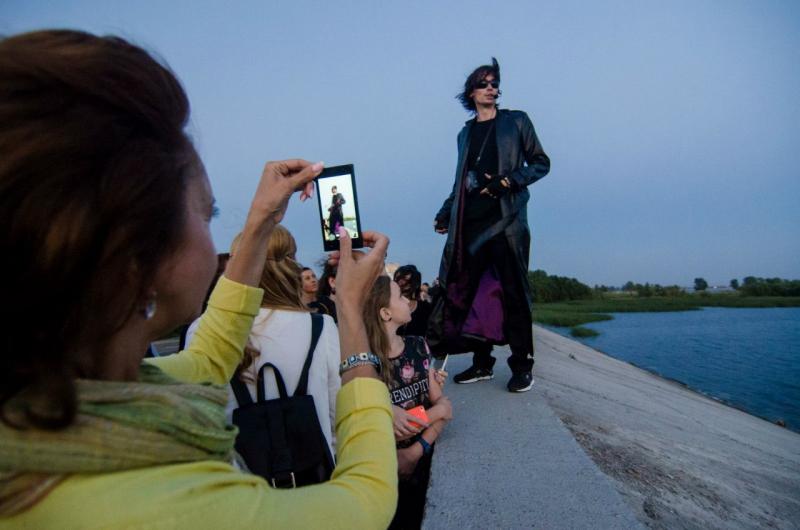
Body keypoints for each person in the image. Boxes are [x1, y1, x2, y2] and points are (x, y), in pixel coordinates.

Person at [0, 30, 396, 528]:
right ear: (140, 258)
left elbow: (209, 359)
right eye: (208, 214)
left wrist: (260, 222)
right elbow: (364, 504)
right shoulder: (163, 507)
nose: (216, 246)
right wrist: (352, 313)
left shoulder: (49, 403)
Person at [429, 57, 551, 393]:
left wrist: (507, 181)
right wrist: (446, 212)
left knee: (514, 295)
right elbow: (461, 181)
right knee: (472, 294)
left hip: (506, 222)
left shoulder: (517, 121)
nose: (490, 88)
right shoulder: (464, 134)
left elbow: (541, 163)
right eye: (483, 84)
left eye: (494, 83)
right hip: (471, 226)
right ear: (471, 92)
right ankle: (482, 363)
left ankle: (522, 366)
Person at [187, 227, 340, 456]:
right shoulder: (320, 326)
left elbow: (198, 419)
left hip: (233, 471)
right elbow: (337, 412)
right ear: (292, 266)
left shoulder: (203, 330)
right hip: (314, 469)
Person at [364, 276, 452, 529]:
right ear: (386, 313)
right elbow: (393, 429)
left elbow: (445, 407)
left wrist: (415, 452)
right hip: (383, 471)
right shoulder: (365, 363)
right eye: (400, 296)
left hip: (422, 459)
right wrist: (434, 413)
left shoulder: (418, 346)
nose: (407, 300)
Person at [394, 265, 433, 338]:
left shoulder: (425, 308)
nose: (400, 282)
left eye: (405, 279)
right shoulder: (387, 305)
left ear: (416, 284)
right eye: (397, 279)